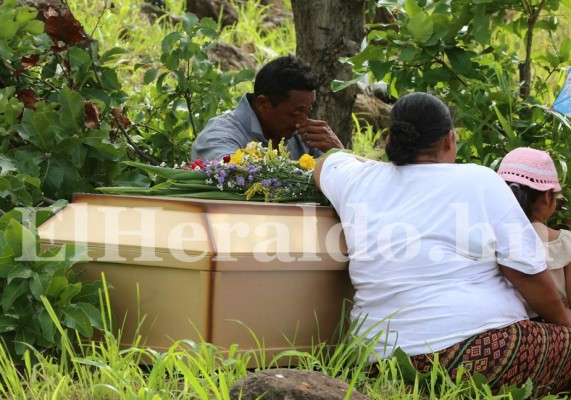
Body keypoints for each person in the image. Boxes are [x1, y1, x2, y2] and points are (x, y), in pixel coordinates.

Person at [313, 92, 571, 396]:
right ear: (450, 140)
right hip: (470, 353)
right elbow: (528, 276)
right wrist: (565, 322)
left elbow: (325, 162)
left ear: (390, 140)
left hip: (378, 358)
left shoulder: (358, 180)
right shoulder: (480, 181)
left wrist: (370, 166)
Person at [190, 55, 343, 161]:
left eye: (307, 110)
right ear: (263, 104)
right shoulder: (219, 136)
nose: (303, 120)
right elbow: (235, 177)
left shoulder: (304, 139)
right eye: (295, 112)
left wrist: (339, 153)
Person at [498, 147, 571, 315]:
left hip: (504, 330)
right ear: (547, 197)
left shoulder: (487, 238)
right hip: (555, 328)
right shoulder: (565, 243)